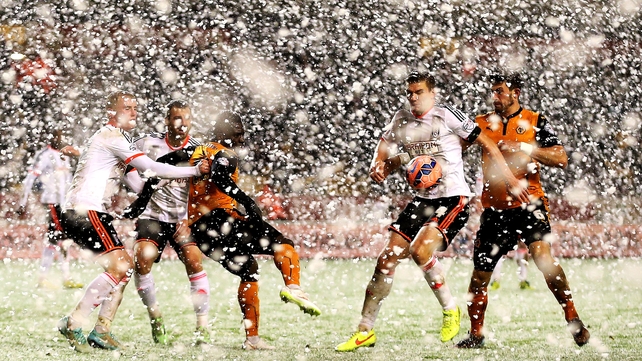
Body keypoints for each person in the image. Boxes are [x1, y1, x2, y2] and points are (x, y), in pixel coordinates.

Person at [336, 71, 528, 351]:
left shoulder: (447, 115)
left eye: (419, 92)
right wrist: (378, 163)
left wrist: (510, 179)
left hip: (453, 198)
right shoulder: (402, 118)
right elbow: (386, 142)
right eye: (410, 93)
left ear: (432, 93)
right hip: (422, 198)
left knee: (420, 251)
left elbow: (485, 142)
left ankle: (451, 309)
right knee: (387, 259)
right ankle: (365, 329)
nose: (413, 97)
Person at [128, 111, 321, 350]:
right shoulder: (225, 153)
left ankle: (252, 339)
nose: (242, 136)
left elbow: (156, 170)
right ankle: (294, 288)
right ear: (223, 131)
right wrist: (247, 201)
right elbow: (220, 175)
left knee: (249, 270)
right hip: (222, 221)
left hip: (200, 232)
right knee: (285, 245)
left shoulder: (193, 152)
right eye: (237, 131)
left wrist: (141, 200)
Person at [57, 91, 210, 353]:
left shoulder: (117, 141)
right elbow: (151, 168)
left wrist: (162, 184)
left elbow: (139, 182)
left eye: (135, 108)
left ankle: (102, 330)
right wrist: (194, 170)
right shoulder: (113, 136)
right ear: (111, 112)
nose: (133, 112)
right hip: (85, 209)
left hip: (90, 210)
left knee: (125, 269)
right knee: (123, 266)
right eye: (126, 108)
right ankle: (73, 322)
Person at [456, 72, 590, 348]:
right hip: (494, 210)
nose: (495, 97)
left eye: (500, 91)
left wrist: (525, 147)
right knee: (480, 275)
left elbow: (561, 158)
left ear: (515, 92)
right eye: (492, 92)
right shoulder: (481, 123)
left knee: (542, 257)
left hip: (530, 204)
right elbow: (454, 148)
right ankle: (476, 334)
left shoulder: (534, 121)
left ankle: (573, 317)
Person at [127, 100, 210, 346]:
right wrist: (141, 189)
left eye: (186, 118)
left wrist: (191, 217)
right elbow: (126, 166)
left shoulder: (200, 149)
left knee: (194, 260)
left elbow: (206, 190)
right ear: (166, 120)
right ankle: (156, 319)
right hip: (153, 216)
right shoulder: (147, 143)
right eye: (176, 118)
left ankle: (202, 327)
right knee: (141, 260)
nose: (181, 123)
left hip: (182, 219)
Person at [17, 128, 83, 289]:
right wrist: (22, 202)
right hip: (53, 203)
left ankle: (52, 277)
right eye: (56, 135)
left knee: (59, 239)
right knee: (58, 238)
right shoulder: (45, 156)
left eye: (61, 135)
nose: (59, 138)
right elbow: (30, 178)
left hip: (65, 203)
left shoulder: (64, 156)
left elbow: (67, 181)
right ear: (50, 138)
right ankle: (54, 277)